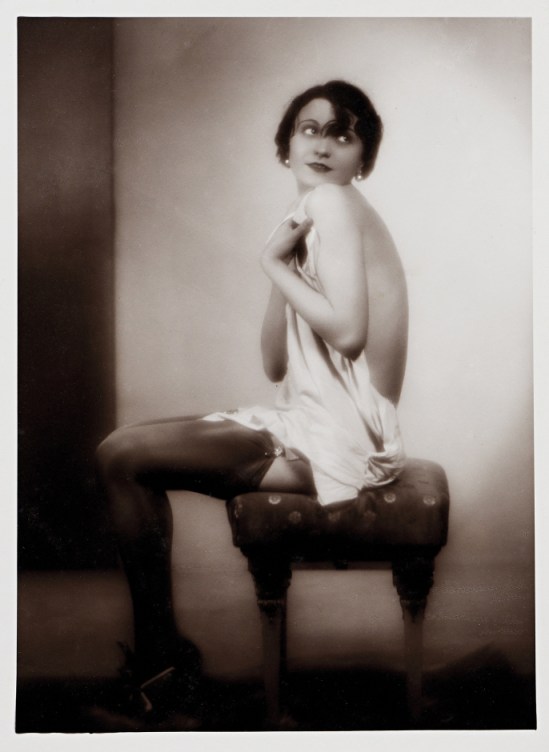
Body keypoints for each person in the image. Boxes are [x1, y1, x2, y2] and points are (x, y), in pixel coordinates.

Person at [95, 80, 408, 727]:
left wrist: (273, 264)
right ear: (286, 145)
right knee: (125, 448)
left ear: (363, 159)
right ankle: (164, 666)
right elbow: (273, 363)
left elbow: (349, 334)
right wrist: (281, 262)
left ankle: (162, 672)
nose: (323, 146)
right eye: (309, 130)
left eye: (343, 135)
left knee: (122, 454)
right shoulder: (311, 215)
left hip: (342, 439)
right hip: (316, 423)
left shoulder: (334, 203)